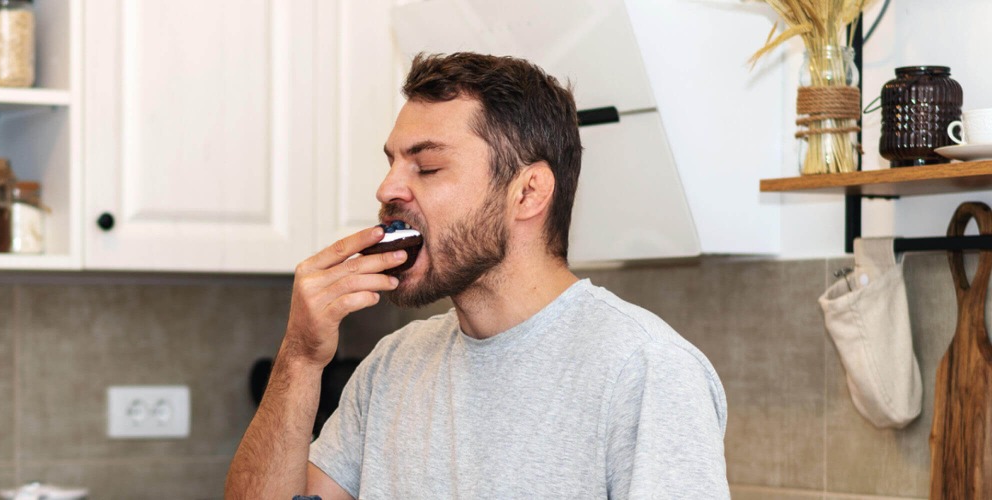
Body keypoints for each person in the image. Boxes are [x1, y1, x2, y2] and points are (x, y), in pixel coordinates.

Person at [225, 52, 729, 499]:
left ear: (528, 193)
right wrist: (300, 357)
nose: (386, 189)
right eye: (392, 164)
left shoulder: (645, 370)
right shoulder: (393, 367)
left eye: (426, 168)